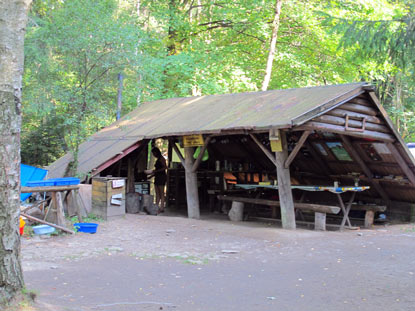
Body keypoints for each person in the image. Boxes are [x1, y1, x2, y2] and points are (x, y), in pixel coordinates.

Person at [146, 147, 167, 214]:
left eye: (154, 153)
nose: (153, 154)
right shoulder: (158, 159)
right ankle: (156, 207)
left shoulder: (162, 159)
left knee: (161, 193)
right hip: (157, 177)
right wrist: (151, 176)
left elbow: (165, 167)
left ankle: (162, 208)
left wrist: (156, 171)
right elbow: (156, 172)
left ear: (157, 152)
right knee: (157, 193)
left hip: (162, 177)